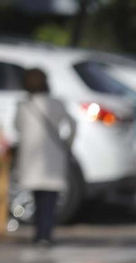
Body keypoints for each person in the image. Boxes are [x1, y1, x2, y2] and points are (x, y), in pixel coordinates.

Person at [12, 68, 75, 247]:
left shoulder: (24, 106)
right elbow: (72, 124)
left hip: (32, 162)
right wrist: (67, 145)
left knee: (38, 199)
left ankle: (39, 233)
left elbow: (17, 127)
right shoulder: (57, 103)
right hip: (53, 159)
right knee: (50, 201)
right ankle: (45, 233)